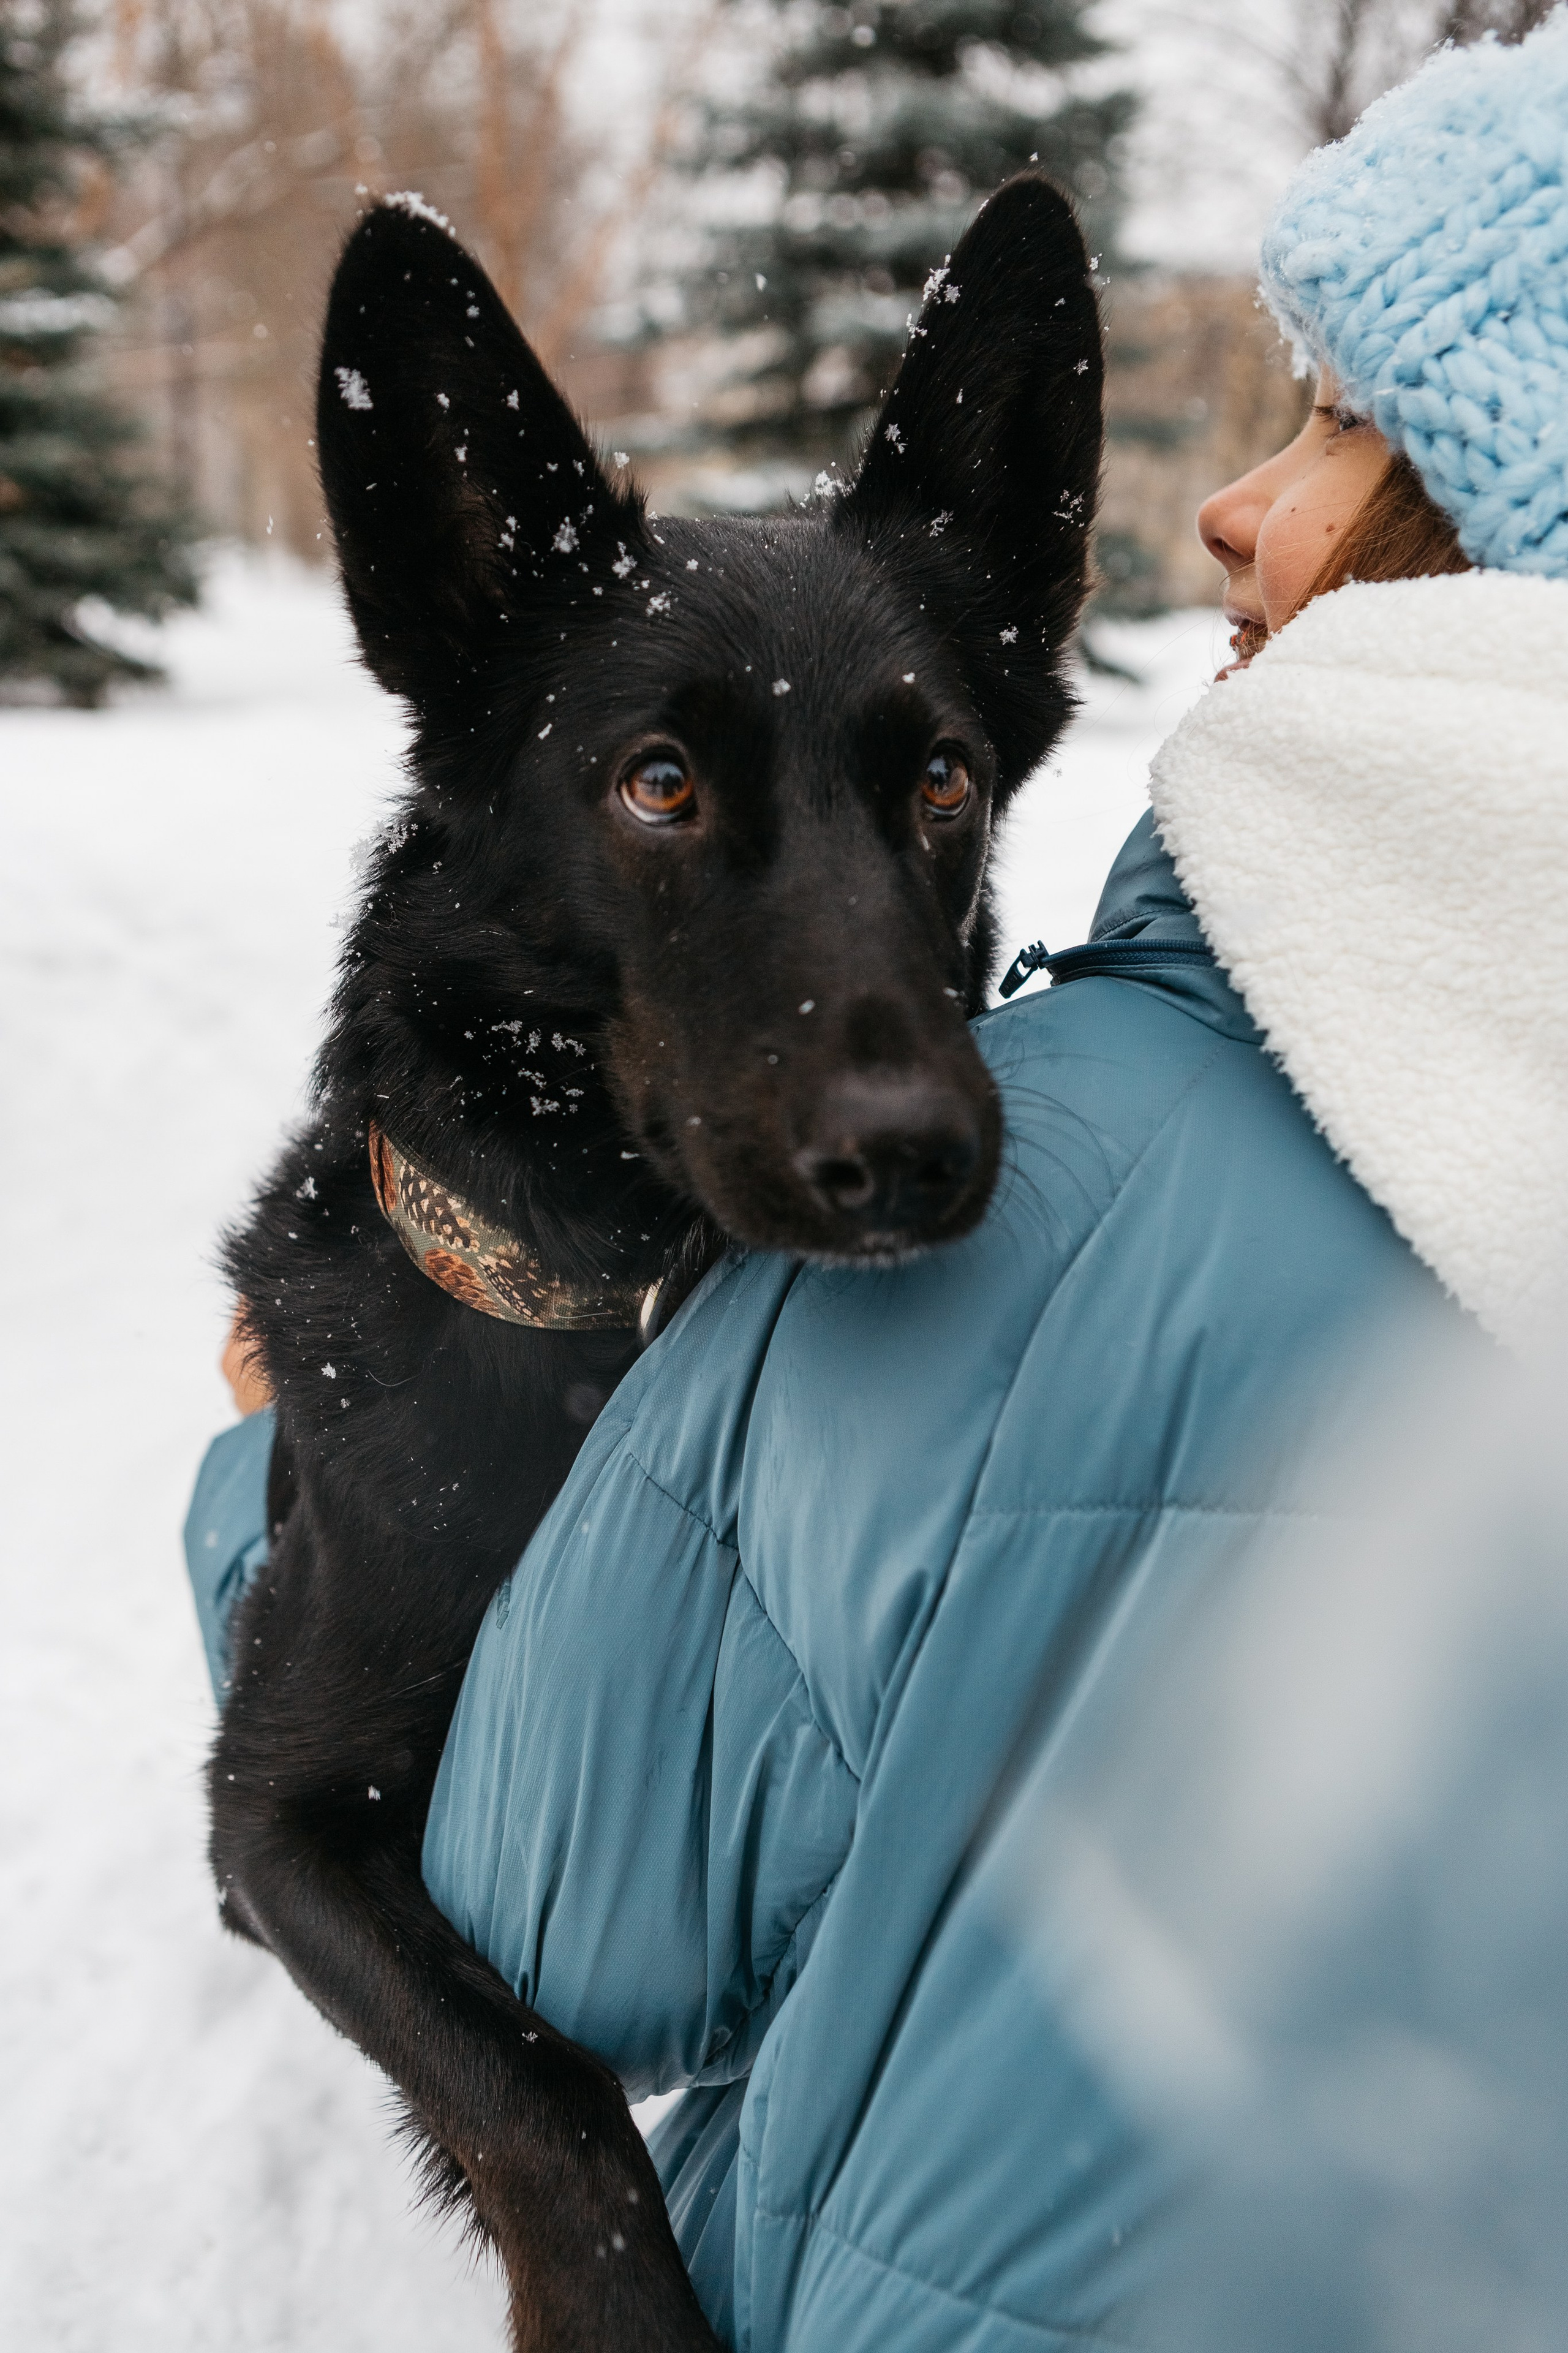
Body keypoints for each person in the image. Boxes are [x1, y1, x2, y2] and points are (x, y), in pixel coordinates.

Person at [188, 17, 1568, 2346]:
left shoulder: (1088, 1186)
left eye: (1344, 426)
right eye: (665, 790)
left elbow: (560, 1914)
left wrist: (242, 1491)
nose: (1234, 499)